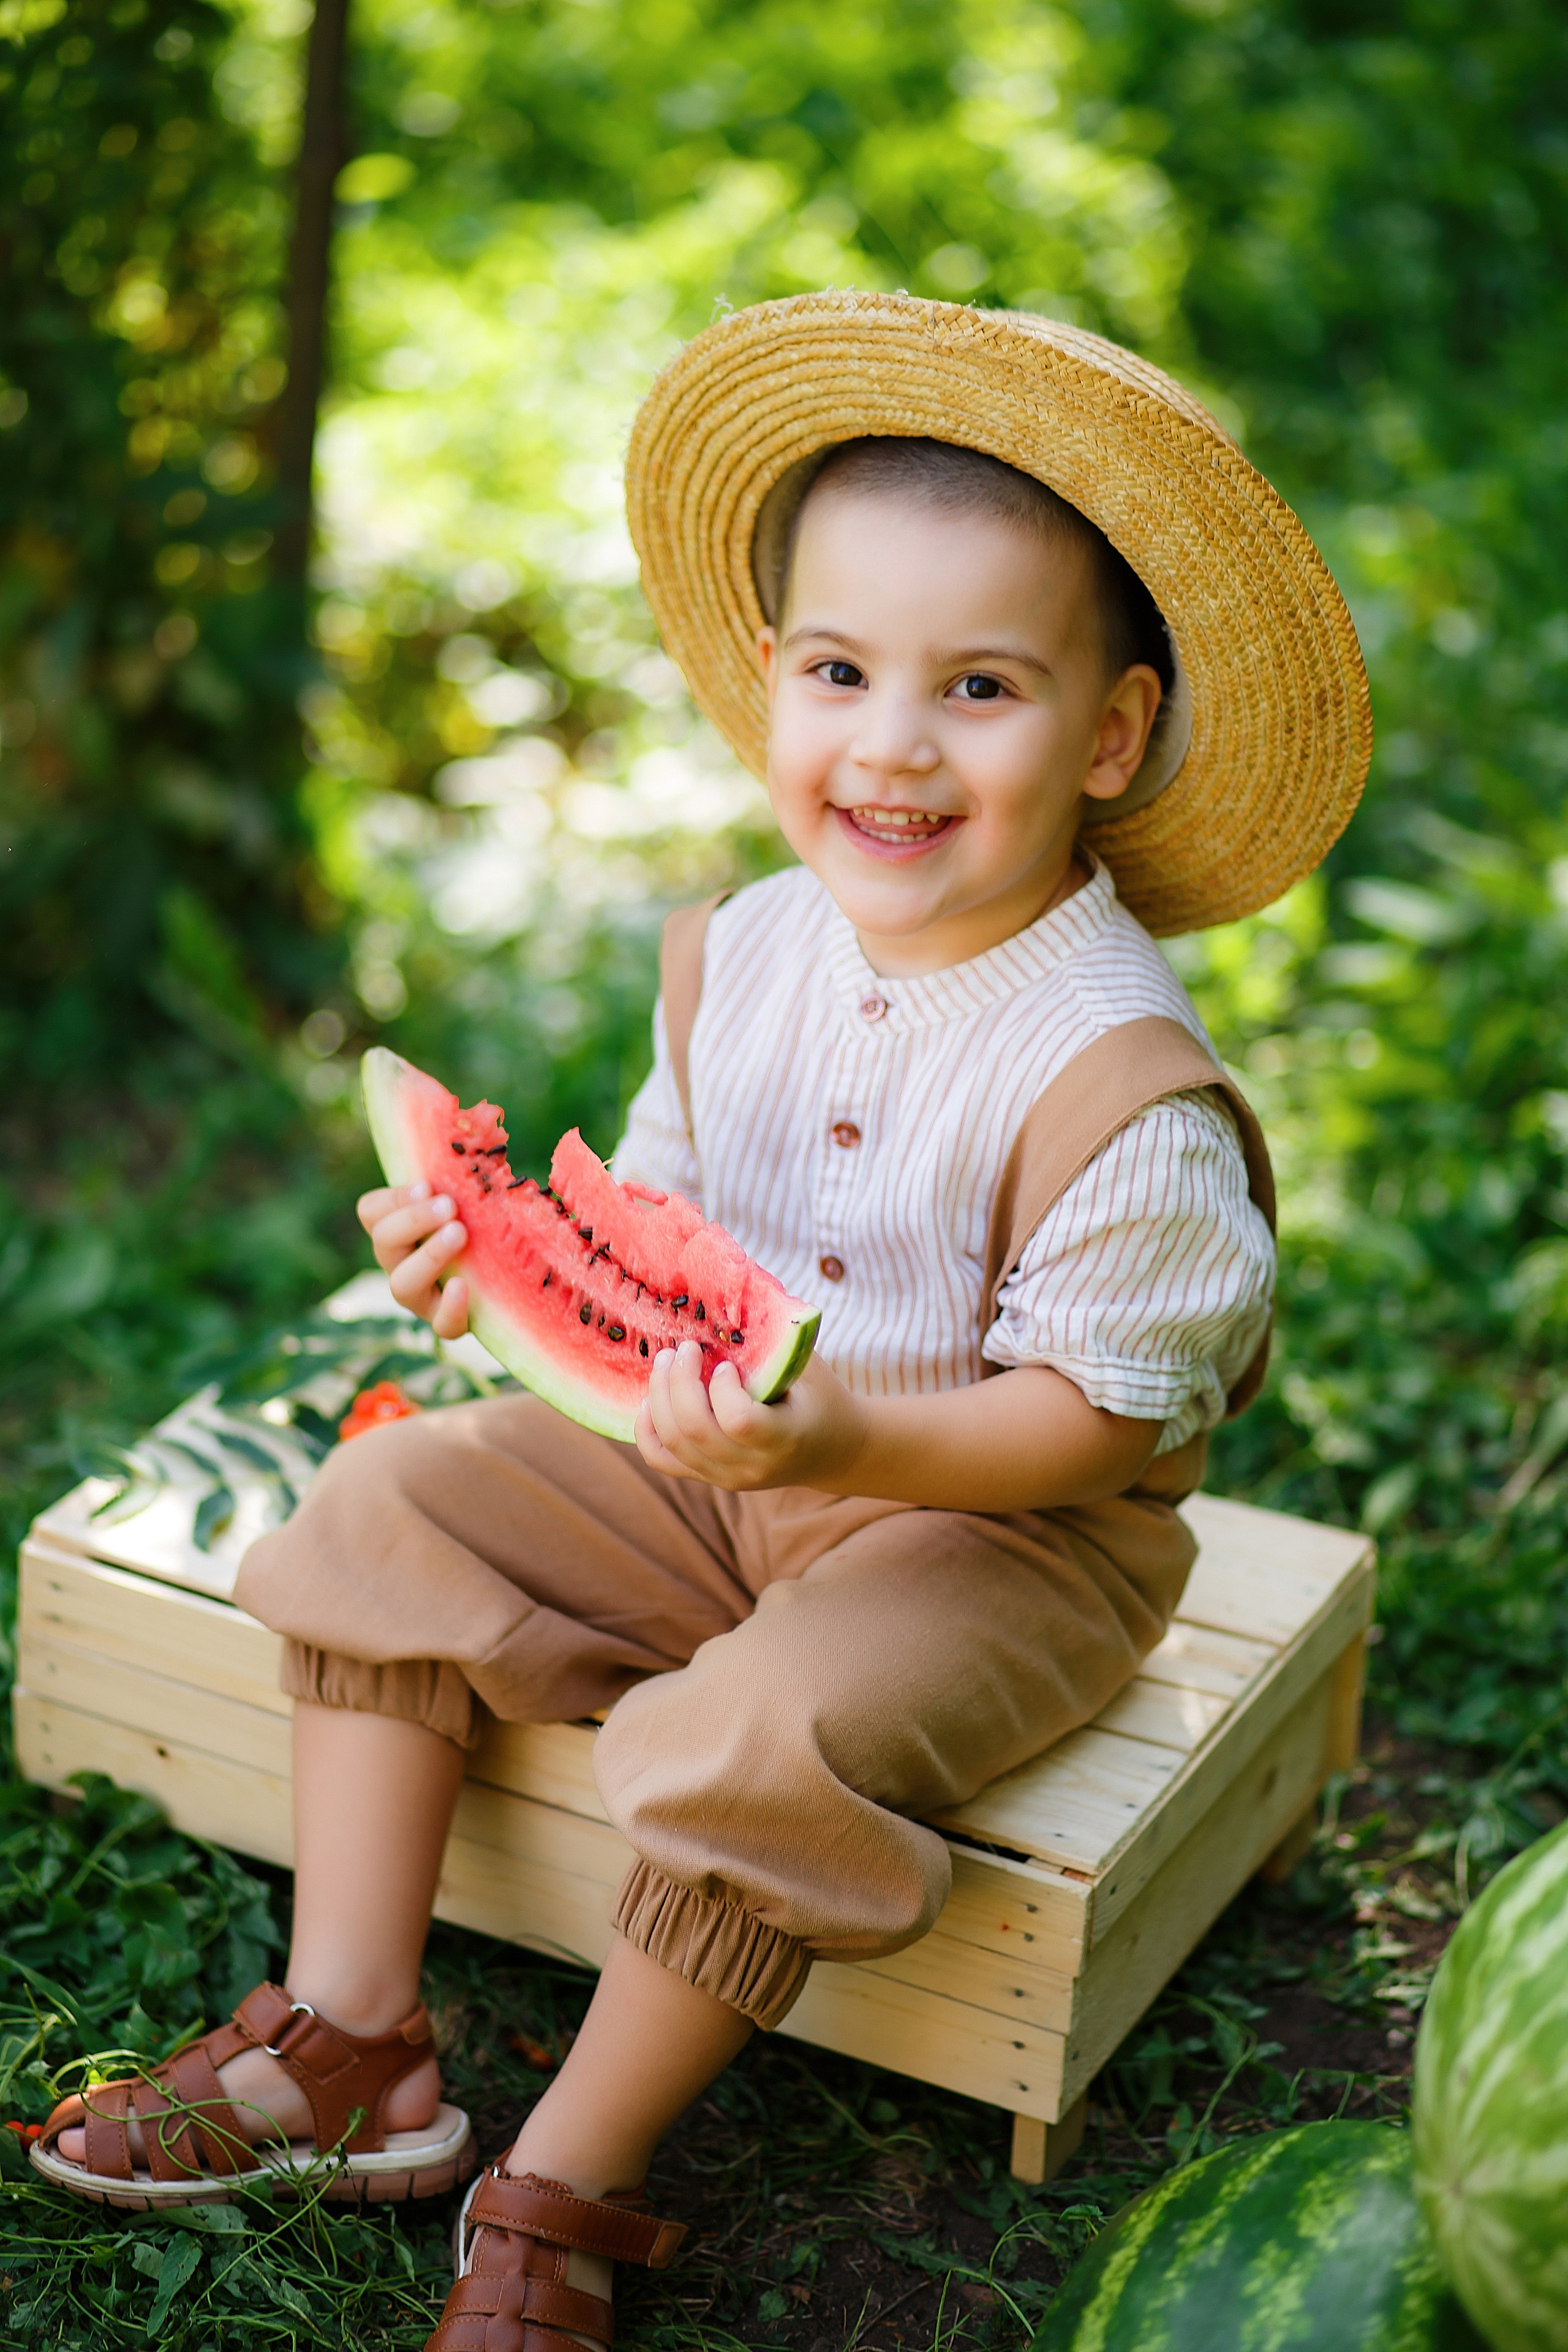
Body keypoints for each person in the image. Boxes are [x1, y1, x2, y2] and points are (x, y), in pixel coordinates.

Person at [34, 292, 1370, 2350]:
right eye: (841, 671)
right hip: (711, 1458)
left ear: (1110, 737)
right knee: (388, 1506)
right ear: (771, 681)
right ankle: (356, 2040)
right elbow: (651, 1247)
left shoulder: (1125, 1088)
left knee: (756, 1734)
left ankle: (571, 2177)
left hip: (1003, 1534)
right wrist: (488, 1284)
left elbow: (1096, 1426)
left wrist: (843, 1447)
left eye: (981, 687)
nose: (893, 743)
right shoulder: (743, 949)